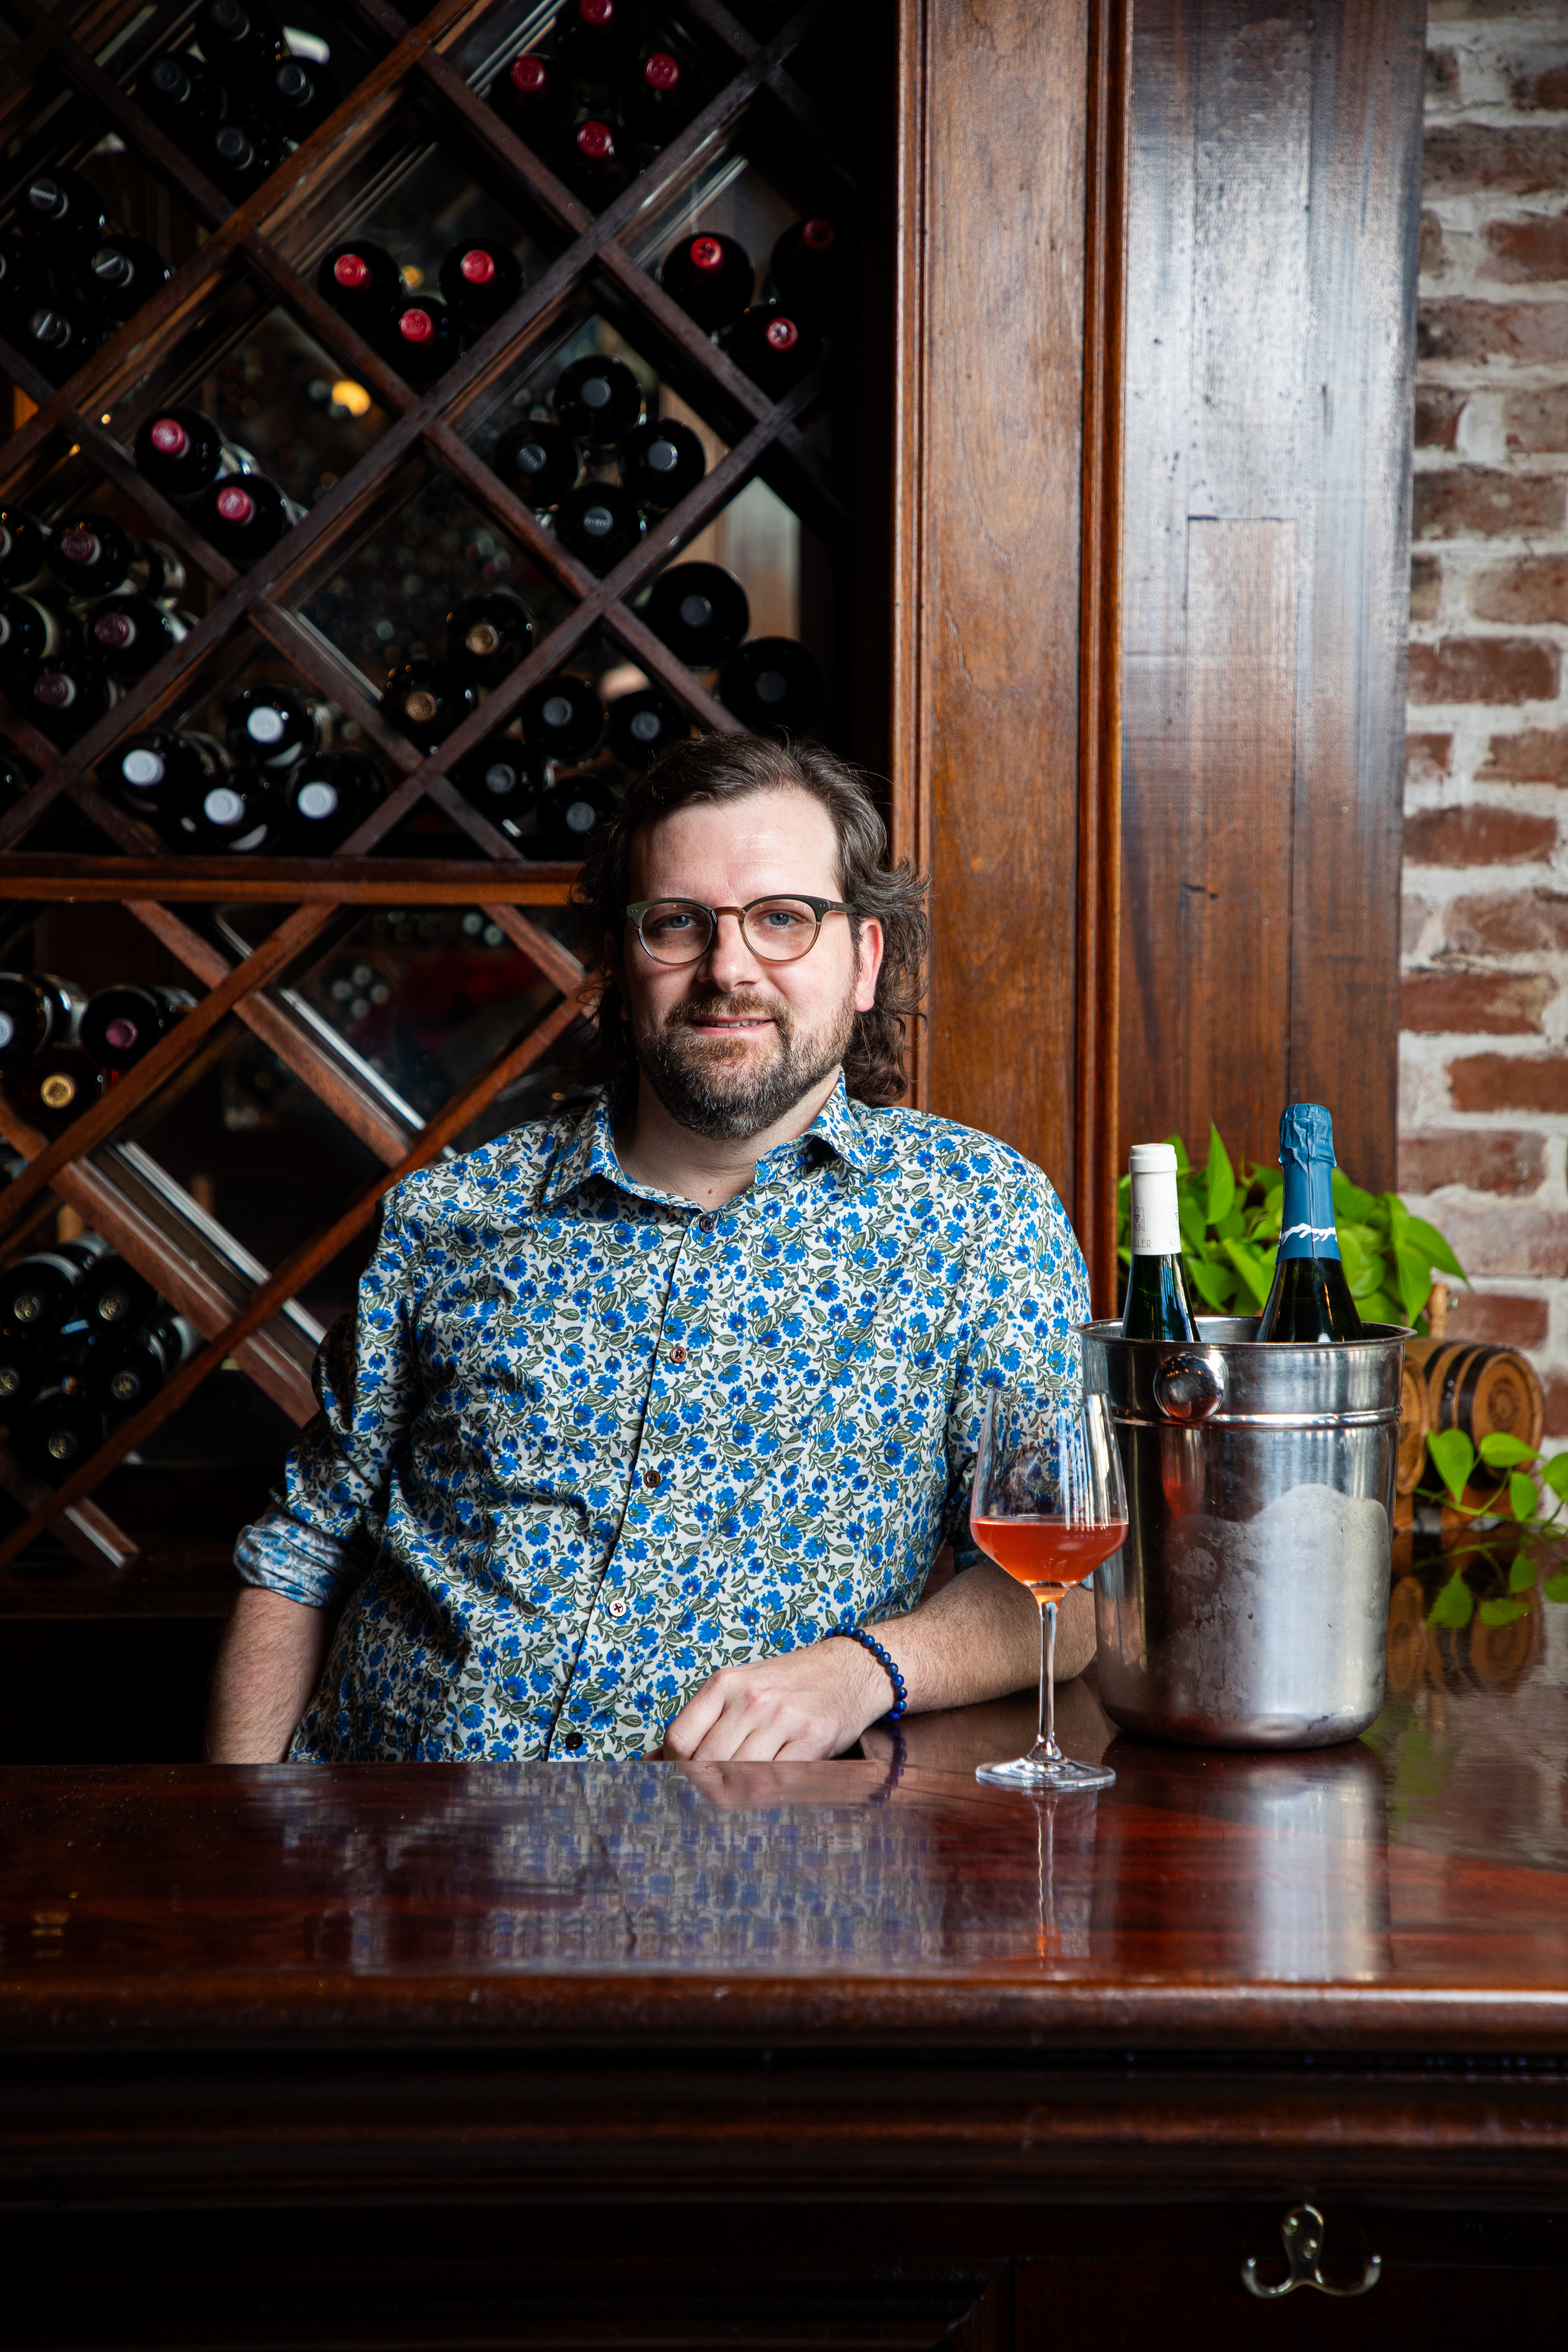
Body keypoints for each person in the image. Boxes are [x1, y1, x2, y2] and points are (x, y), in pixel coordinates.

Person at [208, 733, 1094, 1763]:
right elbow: (298, 1559)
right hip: (388, 1869)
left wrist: (865, 1669)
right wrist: (248, 1846)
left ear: (864, 961)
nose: (728, 969)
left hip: (734, 1889)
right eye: (679, 923)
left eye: (783, 920)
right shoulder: (448, 1216)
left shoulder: (978, 1217)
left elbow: (1064, 1590)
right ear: (622, 966)